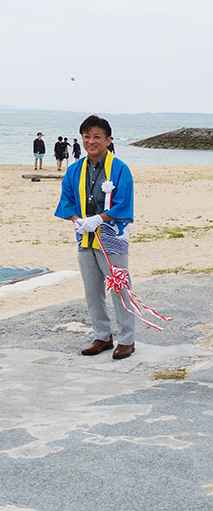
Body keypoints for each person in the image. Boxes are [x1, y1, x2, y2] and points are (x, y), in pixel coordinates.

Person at [54, 115, 137, 359]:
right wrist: (76, 220)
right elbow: (67, 201)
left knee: (119, 287)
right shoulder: (74, 169)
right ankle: (102, 336)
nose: (91, 141)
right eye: (87, 136)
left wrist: (99, 219)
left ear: (108, 140)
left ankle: (127, 339)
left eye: (97, 137)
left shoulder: (120, 168)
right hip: (84, 238)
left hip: (112, 237)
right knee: (92, 290)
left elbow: (124, 203)